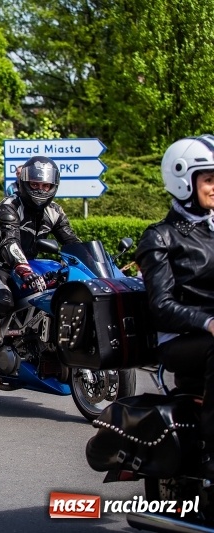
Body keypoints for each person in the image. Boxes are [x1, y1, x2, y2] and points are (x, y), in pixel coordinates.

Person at [135, 135, 214, 473]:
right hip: (180, 340)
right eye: (210, 179)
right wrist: (208, 322)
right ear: (183, 180)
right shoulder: (160, 237)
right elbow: (161, 307)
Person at [0, 155, 81, 361]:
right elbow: (10, 242)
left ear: (53, 186)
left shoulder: (55, 212)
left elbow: (72, 242)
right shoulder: (8, 206)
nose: (40, 190)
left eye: (45, 186)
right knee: (3, 301)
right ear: (24, 183)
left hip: (28, 266)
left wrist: (94, 264)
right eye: (35, 184)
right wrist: (24, 269)